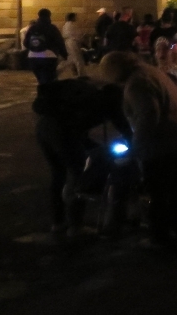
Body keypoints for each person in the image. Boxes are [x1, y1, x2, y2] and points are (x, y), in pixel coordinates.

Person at [100, 52, 177, 247]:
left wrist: (135, 148)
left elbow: (147, 116)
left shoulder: (137, 83)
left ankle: (160, 237)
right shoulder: (148, 71)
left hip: (164, 140)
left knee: (157, 191)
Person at [31, 76, 128, 235]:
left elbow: (80, 131)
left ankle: (58, 222)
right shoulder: (111, 103)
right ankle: (76, 227)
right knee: (78, 174)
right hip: (61, 133)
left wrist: (92, 146)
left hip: (43, 128)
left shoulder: (85, 98)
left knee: (58, 174)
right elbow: (124, 128)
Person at [24, 9, 69, 85]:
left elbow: (26, 43)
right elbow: (59, 42)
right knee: (49, 80)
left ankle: (42, 94)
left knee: (41, 81)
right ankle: (48, 95)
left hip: (33, 57)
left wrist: (34, 49)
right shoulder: (52, 28)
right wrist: (64, 54)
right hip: (49, 56)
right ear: (49, 16)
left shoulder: (32, 28)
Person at [62, 12, 86, 77]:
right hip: (73, 42)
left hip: (68, 42)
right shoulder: (73, 25)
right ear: (72, 17)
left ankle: (57, 71)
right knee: (78, 59)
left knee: (71, 59)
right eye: (75, 17)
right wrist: (82, 38)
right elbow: (78, 34)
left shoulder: (65, 25)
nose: (76, 18)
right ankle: (81, 75)